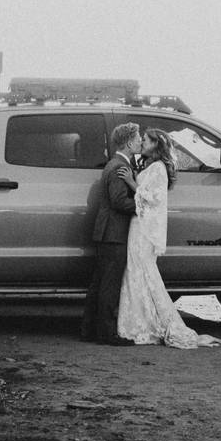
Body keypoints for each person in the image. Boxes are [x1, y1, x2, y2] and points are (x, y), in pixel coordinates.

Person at [115, 128, 221, 348]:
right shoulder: (151, 166)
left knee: (141, 271)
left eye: (145, 140)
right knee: (138, 271)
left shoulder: (158, 168)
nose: (142, 142)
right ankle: (142, 322)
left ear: (156, 144)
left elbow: (152, 199)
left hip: (143, 227)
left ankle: (148, 324)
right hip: (139, 224)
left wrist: (130, 182)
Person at [81, 122, 142, 344]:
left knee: (99, 284)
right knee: (109, 285)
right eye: (138, 138)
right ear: (128, 142)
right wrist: (144, 204)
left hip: (107, 233)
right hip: (114, 233)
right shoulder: (119, 167)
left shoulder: (114, 164)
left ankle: (89, 330)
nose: (141, 141)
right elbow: (119, 202)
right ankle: (106, 334)